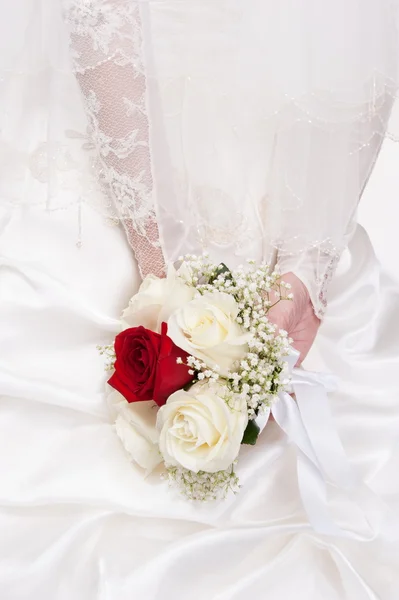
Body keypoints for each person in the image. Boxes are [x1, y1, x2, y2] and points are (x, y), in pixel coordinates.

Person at [0, 1, 399, 598]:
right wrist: (165, 279)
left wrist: (303, 273)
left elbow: (362, 34)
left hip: (279, 171)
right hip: (121, 143)